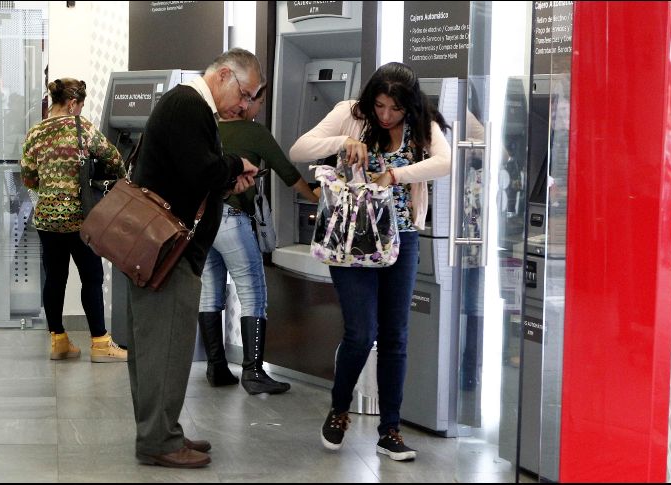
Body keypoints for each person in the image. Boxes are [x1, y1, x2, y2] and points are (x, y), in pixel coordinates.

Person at [289, 62, 452, 461]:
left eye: (394, 109)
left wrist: (397, 175)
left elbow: (444, 163)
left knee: (395, 336)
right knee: (361, 333)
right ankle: (339, 409)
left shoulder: (422, 125)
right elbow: (297, 149)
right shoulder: (351, 113)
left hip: (402, 239)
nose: (385, 115)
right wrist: (343, 142)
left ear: (408, 106)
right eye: (379, 105)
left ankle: (389, 430)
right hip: (352, 240)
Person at [126, 48, 261, 469]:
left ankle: (162, 430)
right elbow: (200, 170)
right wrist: (234, 163)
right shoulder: (188, 104)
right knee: (165, 350)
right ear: (223, 75)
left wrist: (224, 177)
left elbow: (192, 174)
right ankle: (159, 441)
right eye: (245, 93)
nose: (245, 106)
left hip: (165, 249)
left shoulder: (188, 105)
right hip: (168, 251)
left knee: (157, 350)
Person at [198, 86, 319, 395]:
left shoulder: (207, 126)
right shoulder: (254, 133)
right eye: (259, 102)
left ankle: (216, 367)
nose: (259, 108)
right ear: (246, 103)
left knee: (210, 293)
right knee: (253, 293)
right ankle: (253, 372)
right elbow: (287, 171)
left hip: (202, 221)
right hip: (232, 219)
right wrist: (318, 197)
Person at [21, 77, 128, 364]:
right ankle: (101, 344)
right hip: (81, 218)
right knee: (91, 277)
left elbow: (28, 177)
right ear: (72, 103)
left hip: (47, 219)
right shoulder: (83, 129)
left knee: (54, 278)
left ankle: (58, 341)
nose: (80, 110)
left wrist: (51, 190)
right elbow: (116, 160)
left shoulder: (35, 133)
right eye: (80, 105)